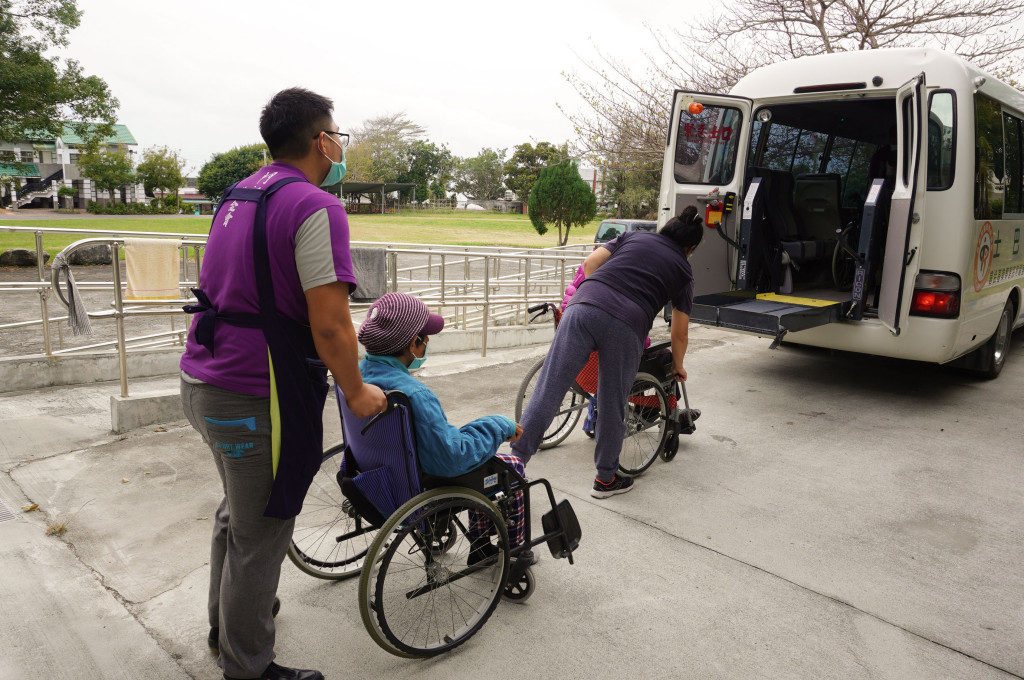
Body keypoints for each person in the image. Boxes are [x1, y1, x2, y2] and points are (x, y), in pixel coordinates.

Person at [179, 87, 386, 680]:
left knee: (238, 516)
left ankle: (231, 624)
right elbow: (329, 323)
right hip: (253, 392)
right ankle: (248, 666)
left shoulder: (238, 194)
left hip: (202, 378)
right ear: (322, 140)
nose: (339, 144)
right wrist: (356, 389)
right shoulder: (315, 207)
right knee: (263, 530)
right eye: (337, 134)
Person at [512, 207, 704, 499]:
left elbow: (590, 264)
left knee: (548, 390)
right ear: (690, 248)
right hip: (626, 325)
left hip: (581, 306)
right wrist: (678, 365)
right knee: (613, 402)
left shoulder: (633, 237)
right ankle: (605, 479)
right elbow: (679, 332)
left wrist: (595, 298)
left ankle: (514, 466)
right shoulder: (683, 271)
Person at [356, 292, 536, 564]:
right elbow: (454, 458)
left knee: (479, 449)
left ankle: (482, 541)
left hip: (380, 475)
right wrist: (499, 426)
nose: (428, 341)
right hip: (423, 481)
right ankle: (503, 550)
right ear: (412, 344)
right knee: (510, 468)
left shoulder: (358, 378)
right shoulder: (414, 395)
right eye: (424, 336)